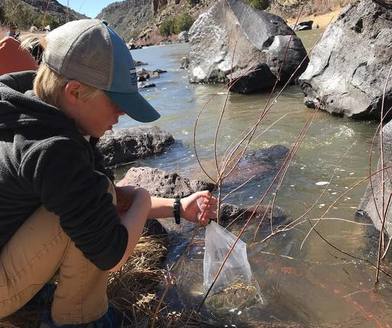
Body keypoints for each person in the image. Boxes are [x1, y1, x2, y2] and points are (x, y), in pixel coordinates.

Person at [0, 19, 216, 327]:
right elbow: (110, 254)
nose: (123, 113)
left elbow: (102, 200)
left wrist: (180, 207)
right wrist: (141, 198)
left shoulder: (32, 108)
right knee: (96, 209)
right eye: (116, 101)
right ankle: (80, 319)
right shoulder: (53, 149)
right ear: (74, 91)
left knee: (95, 196)